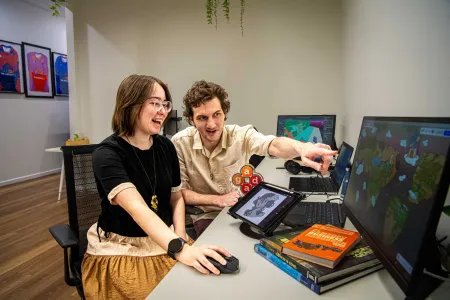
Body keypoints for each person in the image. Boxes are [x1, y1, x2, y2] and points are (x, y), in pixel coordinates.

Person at [82, 75, 232, 300]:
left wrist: (180, 236)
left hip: (168, 238)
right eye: (154, 103)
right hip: (124, 249)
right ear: (130, 105)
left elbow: (176, 197)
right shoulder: (107, 154)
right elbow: (138, 209)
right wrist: (181, 250)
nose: (163, 111)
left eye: (165, 104)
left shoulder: (166, 146)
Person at [171, 80, 338, 237]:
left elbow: (272, 144)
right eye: (202, 117)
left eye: (216, 114)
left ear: (225, 114)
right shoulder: (179, 143)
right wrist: (218, 200)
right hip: (208, 214)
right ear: (191, 120)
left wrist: (301, 147)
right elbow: (180, 192)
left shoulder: (240, 135)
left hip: (245, 207)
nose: (212, 124)